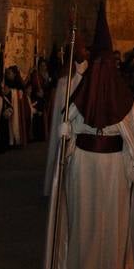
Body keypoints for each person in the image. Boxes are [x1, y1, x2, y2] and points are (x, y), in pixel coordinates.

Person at [39, 3, 134, 269]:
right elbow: (128, 139)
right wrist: (67, 133)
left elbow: (130, 139)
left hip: (103, 169)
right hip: (97, 167)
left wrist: (70, 134)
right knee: (90, 229)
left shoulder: (106, 98)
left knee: (108, 232)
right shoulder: (85, 96)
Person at [43, 38, 89, 196]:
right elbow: (61, 110)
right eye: (82, 49)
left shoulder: (85, 75)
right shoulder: (65, 80)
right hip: (67, 124)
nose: (85, 52)